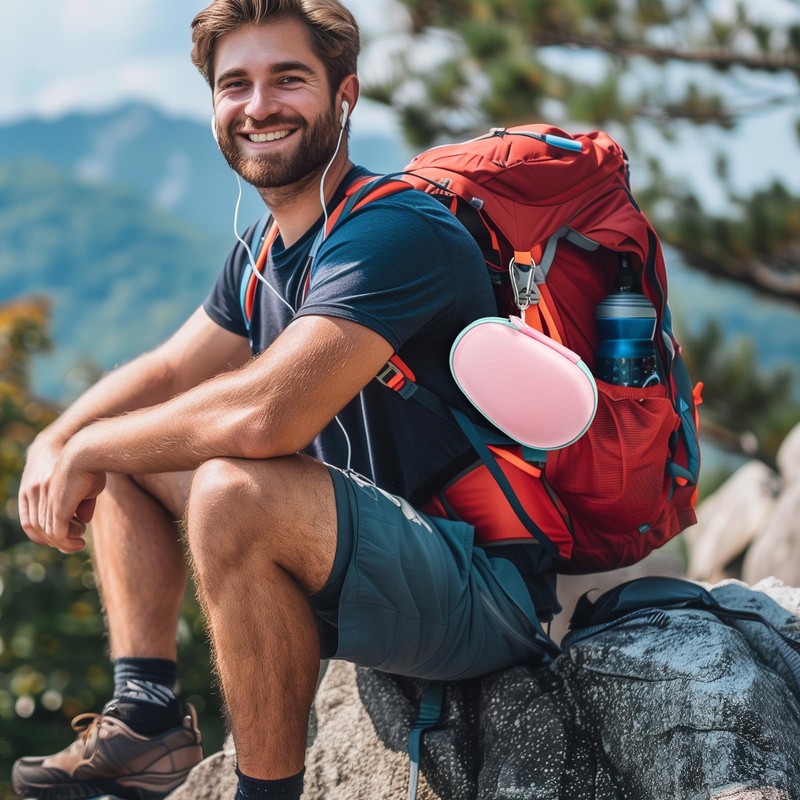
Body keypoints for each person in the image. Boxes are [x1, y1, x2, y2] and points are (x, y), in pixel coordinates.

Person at [12, 1, 560, 799]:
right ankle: (149, 720)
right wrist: (56, 439)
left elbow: (269, 417)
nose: (258, 105)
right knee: (136, 444)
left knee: (225, 484)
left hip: (481, 586)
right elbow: (167, 372)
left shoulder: (395, 230)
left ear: (346, 97)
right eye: (235, 84)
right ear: (212, 107)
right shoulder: (261, 250)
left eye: (288, 79)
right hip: (362, 559)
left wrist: (91, 446)